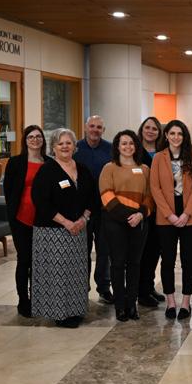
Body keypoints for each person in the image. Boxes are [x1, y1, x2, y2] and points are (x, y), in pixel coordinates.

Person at [31, 128, 97, 328]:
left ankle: (76, 310)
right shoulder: (47, 171)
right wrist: (66, 222)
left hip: (79, 229)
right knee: (57, 272)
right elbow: (41, 202)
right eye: (60, 143)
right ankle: (60, 314)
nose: (65, 146)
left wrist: (83, 219)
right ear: (53, 147)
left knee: (76, 273)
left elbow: (93, 197)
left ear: (75, 146)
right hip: (52, 231)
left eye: (69, 143)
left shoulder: (83, 169)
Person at [150, 120, 192, 320]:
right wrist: (169, 215)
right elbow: (155, 188)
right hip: (166, 217)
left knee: (189, 260)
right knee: (168, 260)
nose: (176, 137)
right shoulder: (158, 158)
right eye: (172, 133)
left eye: (179, 133)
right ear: (166, 135)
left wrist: (186, 213)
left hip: (190, 215)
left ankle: (186, 303)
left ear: (184, 136)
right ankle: (171, 301)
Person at [99, 130, 153, 322]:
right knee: (118, 264)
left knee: (135, 264)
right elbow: (106, 195)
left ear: (136, 146)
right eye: (124, 143)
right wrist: (129, 215)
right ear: (117, 146)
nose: (128, 147)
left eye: (131, 143)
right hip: (115, 222)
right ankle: (120, 306)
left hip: (139, 222)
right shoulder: (109, 168)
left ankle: (132, 305)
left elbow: (150, 197)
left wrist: (140, 215)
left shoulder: (144, 169)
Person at [3, 125, 53, 317]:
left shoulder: (49, 163)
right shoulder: (15, 162)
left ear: (43, 140)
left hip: (44, 220)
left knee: (40, 261)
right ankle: (23, 301)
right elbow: (9, 192)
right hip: (21, 219)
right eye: (31, 137)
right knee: (24, 260)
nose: (35, 140)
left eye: (38, 136)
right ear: (25, 140)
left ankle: (39, 298)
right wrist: (12, 215)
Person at [73, 115, 113, 304]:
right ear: (85, 127)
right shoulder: (75, 149)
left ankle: (104, 288)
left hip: (105, 209)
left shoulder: (111, 149)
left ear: (103, 130)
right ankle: (82, 289)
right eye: (92, 126)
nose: (95, 130)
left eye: (99, 127)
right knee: (83, 250)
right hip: (82, 210)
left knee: (105, 251)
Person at [136, 116, 165, 307]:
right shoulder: (135, 151)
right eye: (147, 127)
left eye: (154, 129)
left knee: (155, 250)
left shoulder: (163, 152)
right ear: (142, 129)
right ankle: (141, 291)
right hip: (141, 207)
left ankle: (149, 286)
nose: (150, 131)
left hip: (161, 208)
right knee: (142, 251)